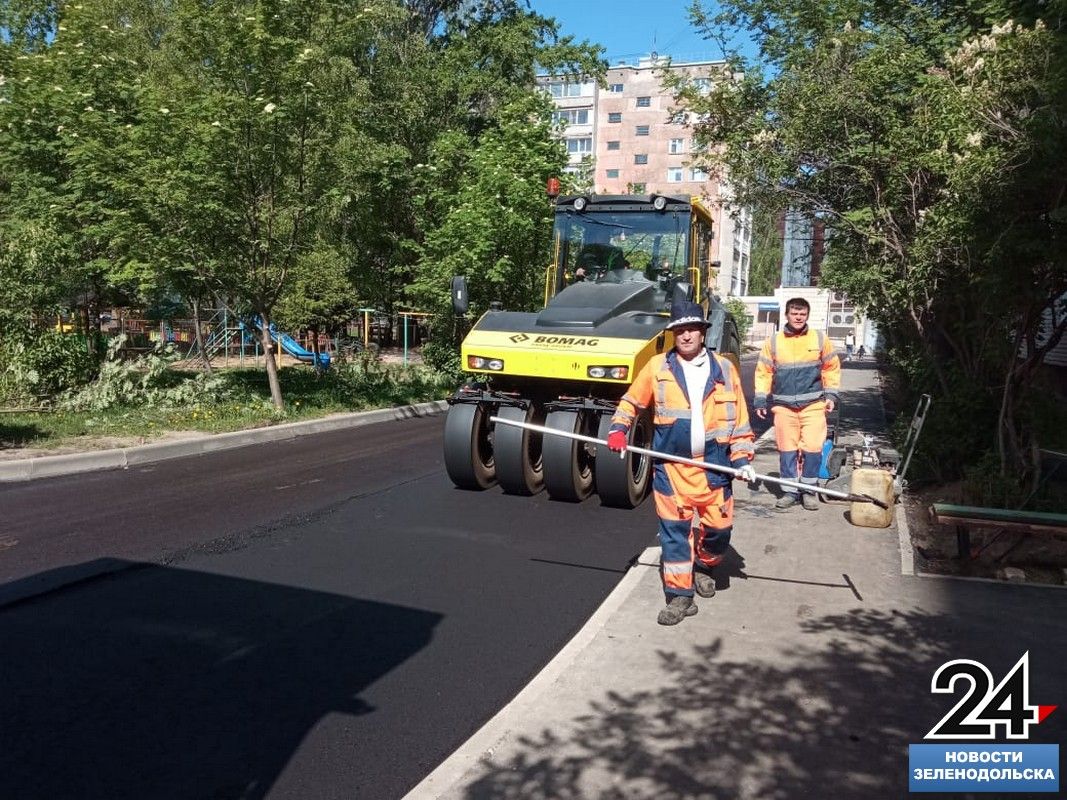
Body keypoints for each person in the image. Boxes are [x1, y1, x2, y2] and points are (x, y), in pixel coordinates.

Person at [607, 300, 757, 625]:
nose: (685, 335)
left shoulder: (725, 370)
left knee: (719, 530)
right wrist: (619, 429)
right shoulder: (658, 367)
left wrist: (743, 457)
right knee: (674, 532)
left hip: (715, 469)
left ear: (703, 332)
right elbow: (632, 401)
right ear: (673, 334)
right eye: (679, 330)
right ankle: (680, 596)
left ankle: (704, 565)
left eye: (691, 329)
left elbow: (741, 422)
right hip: (671, 467)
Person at [754, 297, 841, 511]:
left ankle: (809, 491)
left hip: (813, 404)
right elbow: (763, 372)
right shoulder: (773, 342)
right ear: (787, 315)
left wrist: (831, 396)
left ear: (807, 316)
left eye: (802, 314)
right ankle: (790, 492)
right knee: (787, 449)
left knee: (812, 448)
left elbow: (831, 367)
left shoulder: (819, 339)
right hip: (784, 407)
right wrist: (760, 399)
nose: (798, 317)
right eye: (794, 313)